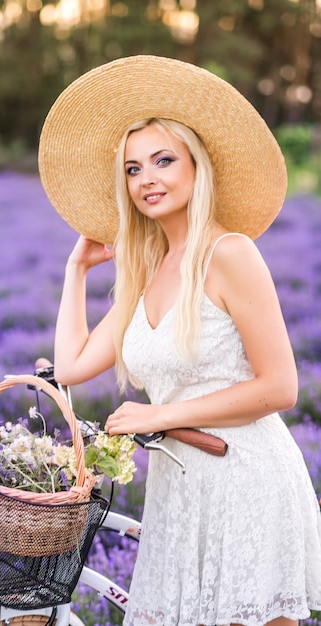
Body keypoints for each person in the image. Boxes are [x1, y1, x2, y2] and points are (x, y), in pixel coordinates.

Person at [38, 56, 321, 626]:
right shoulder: (144, 273)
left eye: (163, 160)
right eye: (133, 169)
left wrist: (157, 413)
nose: (148, 179)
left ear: (198, 165)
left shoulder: (231, 254)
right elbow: (69, 367)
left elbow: (281, 387)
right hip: (179, 493)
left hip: (245, 481)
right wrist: (76, 270)